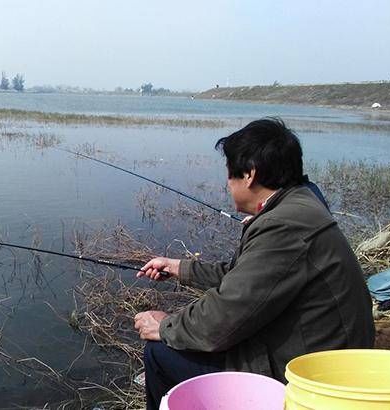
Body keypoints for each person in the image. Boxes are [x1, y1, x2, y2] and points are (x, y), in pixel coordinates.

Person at [133, 118, 375, 410]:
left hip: (312, 385)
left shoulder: (284, 226)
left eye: (229, 176)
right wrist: (179, 268)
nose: (227, 184)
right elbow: (244, 279)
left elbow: (221, 321)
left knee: (160, 354)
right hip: (326, 362)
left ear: (249, 174)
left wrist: (165, 327)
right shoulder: (300, 203)